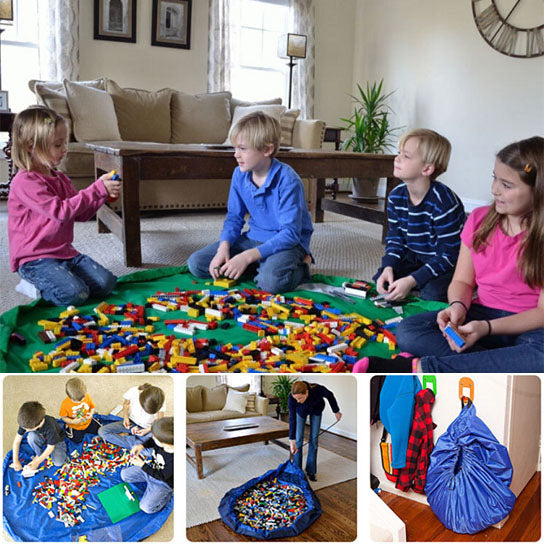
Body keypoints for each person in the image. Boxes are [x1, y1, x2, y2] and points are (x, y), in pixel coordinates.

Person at [361, 136, 544, 373]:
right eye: (494, 178)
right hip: (480, 314)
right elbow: (462, 281)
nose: (494, 190)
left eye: (506, 185)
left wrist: (486, 328)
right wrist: (457, 307)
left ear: (538, 191)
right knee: (409, 330)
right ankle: (499, 365)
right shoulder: (478, 220)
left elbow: (541, 313)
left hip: (529, 325)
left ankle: (422, 367)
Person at [187, 111, 313, 294]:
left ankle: (302, 267)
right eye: (235, 148)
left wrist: (246, 257)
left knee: (270, 283)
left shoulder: (288, 180)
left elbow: (291, 234)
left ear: (267, 150)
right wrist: (224, 248)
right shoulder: (239, 173)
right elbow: (234, 218)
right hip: (253, 238)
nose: (236, 155)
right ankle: (257, 264)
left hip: (286, 243)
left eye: (243, 149)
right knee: (197, 264)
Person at [8, 106, 121, 306]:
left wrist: (103, 196)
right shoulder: (25, 181)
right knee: (74, 295)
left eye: (65, 143)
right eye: (57, 144)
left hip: (64, 253)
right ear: (30, 146)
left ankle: (62, 275)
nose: (64, 149)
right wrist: (96, 189)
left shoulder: (60, 178)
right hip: (34, 258)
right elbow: (60, 211)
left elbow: (79, 214)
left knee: (106, 284)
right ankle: (33, 285)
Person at [373, 128, 466, 302]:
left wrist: (411, 280)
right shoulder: (395, 196)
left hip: (448, 261)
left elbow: (449, 255)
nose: (397, 158)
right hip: (415, 255)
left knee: (433, 294)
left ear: (427, 169)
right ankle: (409, 280)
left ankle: (417, 283)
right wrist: (388, 267)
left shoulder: (444, 202)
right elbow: (395, 238)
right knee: (382, 279)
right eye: (398, 152)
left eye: (406, 156)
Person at [288, 381, 342, 481]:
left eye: (300, 398)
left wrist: (336, 411)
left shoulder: (317, 390)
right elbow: (292, 418)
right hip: (301, 412)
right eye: (296, 399)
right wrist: (291, 441)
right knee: (298, 439)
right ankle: (297, 471)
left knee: (314, 440)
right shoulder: (292, 398)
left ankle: (311, 471)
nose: (298, 401)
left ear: (307, 393)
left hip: (316, 410)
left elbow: (330, 395)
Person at [121, 417, 173, 514]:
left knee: (146, 508)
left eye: (155, 437)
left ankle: (167, 495)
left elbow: (161, 476)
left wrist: (142, 464)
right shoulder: (163, 442)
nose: (152, 438)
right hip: (150, 468)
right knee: (124, 475)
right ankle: (150, 484)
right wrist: (141, 446)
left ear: (165, 443)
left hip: (163, 482)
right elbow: (153, 441)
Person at [98, 383, 166, 451]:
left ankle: (131, 439)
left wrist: (147, 430)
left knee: (152, 449)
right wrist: (125, 417)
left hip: (147, 428)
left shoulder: (159, 400)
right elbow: (126, 404)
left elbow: (159, 422)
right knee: (102, 431)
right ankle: (137, 443)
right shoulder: (133, 391)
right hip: (132, 423)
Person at [11, 401, 67, 471]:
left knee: (58, 462)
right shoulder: (26, 422)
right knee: (31, 436)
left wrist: (37, 462)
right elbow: (17, 441)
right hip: (42, 437)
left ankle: (41, 456)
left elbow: (50, 447)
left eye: (28, 429)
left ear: (39, 424)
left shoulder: (50, 426)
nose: (26, 430)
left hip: (57, 440)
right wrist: (15, 461)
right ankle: (39, 454)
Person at [59, 377, 101, 443]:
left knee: (100, 429)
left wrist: (91, 413)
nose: (80, 401)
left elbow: (92, 407)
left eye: (82, 399)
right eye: (76, 401)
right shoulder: (65, 404)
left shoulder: (87, 396)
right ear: (69, 396)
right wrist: (73, 421)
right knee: (76, 440)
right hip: (75, 426)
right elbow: (64, 418)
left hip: (88, 422)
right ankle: (68, 427)